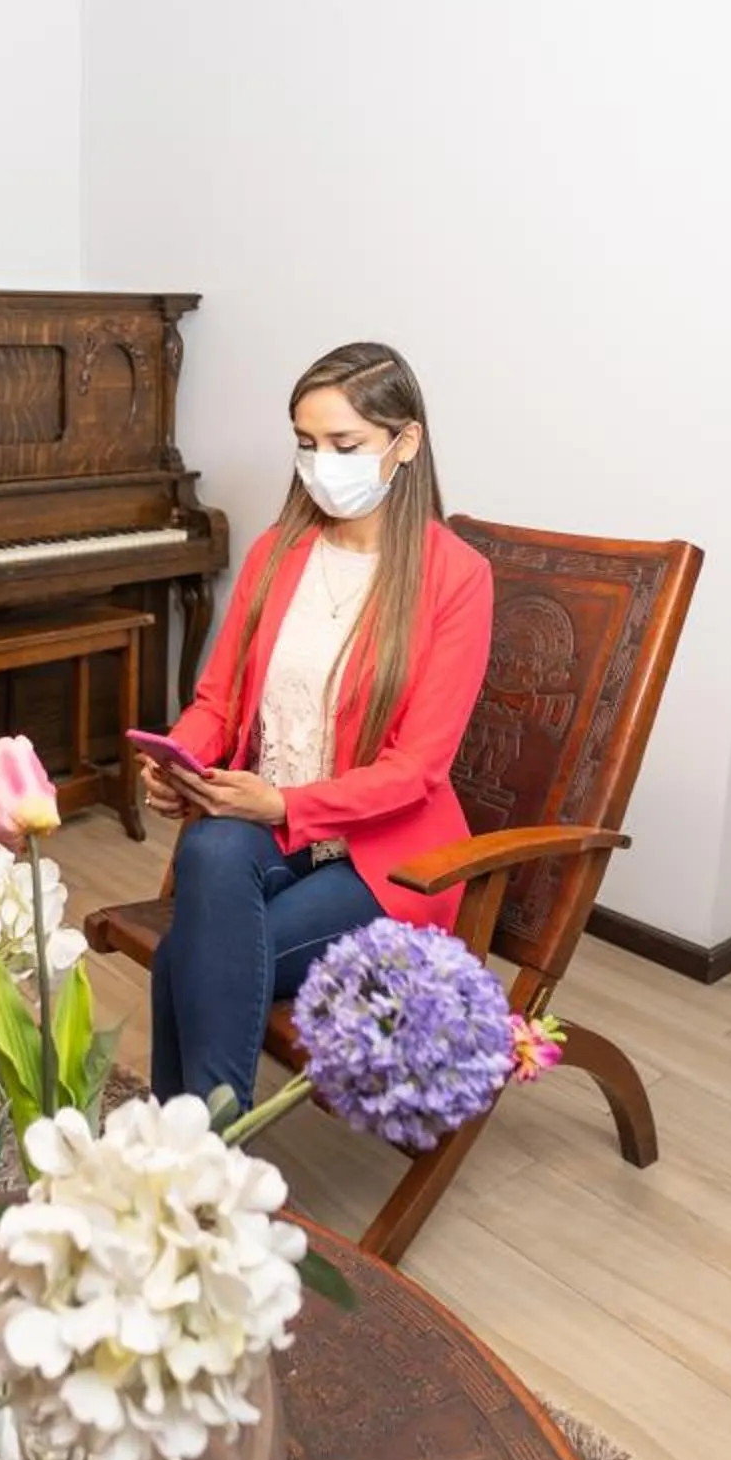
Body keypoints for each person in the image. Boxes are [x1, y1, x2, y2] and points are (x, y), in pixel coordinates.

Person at [137, 341, 494, 1111]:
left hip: (386, 856)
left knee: (182, 959)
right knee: (210, 841)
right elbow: (217, 704)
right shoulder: (278, 554)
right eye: (306, 444)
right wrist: (182, 762)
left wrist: (286, 807)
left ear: (405, 443)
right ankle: (201, 1167)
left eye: (345, 444)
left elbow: (419, 768)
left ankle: (193, 1166)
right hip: (274, 830)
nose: (321, 462)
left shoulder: (455, 576)